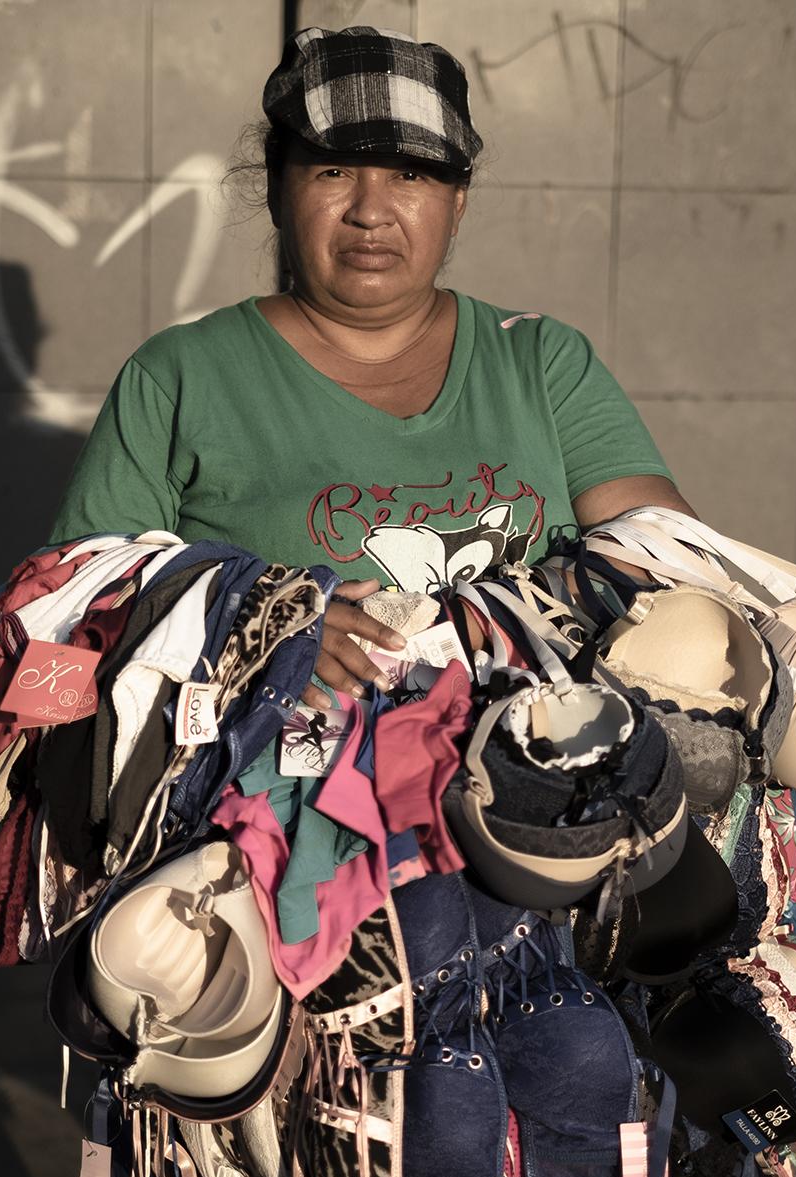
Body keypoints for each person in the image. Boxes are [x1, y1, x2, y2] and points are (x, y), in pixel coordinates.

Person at [48, 24, 695, 709]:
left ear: (458, 202)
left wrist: (496, 620)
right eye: (332, 171)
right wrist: (253, 621)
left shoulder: (541, 361)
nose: (370, 212)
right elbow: (75, 605)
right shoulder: (180, 375)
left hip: (522, 796)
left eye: (410, 175)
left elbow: (669, 563)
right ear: (275, 190)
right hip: (258, 804)